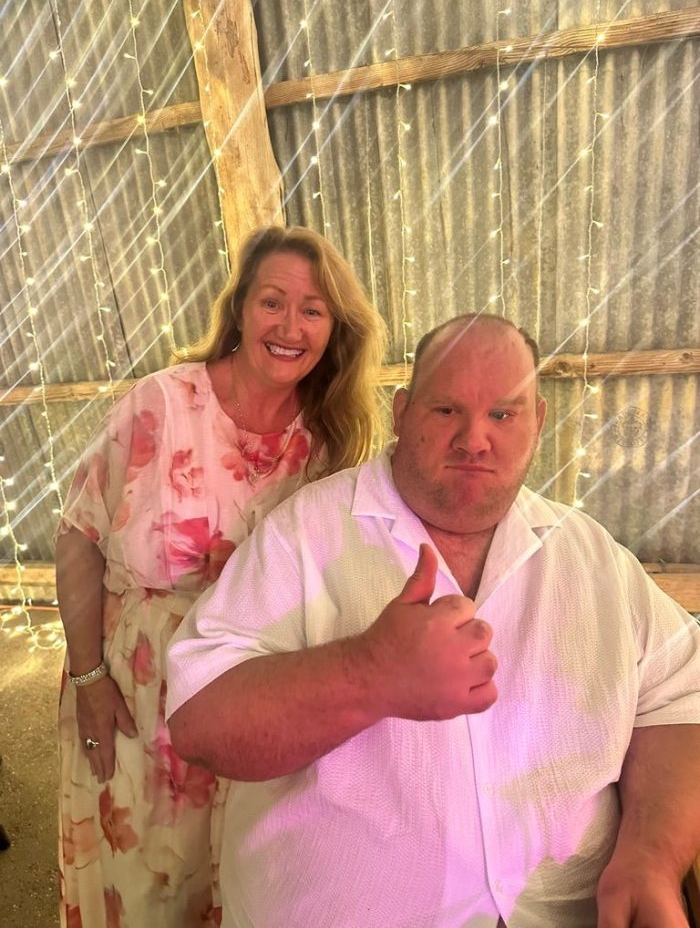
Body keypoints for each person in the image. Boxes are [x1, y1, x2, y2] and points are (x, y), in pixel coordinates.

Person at [166, 313, 700, 928]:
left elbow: (679, 699)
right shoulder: (304, 534)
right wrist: (368, 674)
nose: (475, 439)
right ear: (401, 412)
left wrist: (651, 858)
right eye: (446, 410)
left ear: (538, 421)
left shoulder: (591, 554)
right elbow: (198, 721)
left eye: (503, 414)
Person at [55, 225, 386, 928]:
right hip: (139, 692)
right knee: (141, 891)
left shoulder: (330, 440)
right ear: (239, 308)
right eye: (273, 302)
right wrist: (88, 679)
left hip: (255, 694)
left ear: (335, 328)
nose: (290, 327)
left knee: (241, 887)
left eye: (313, 309)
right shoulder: (161, 404)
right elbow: (78, 537)